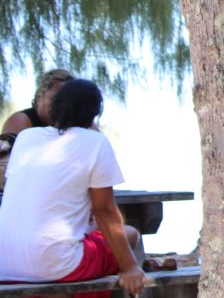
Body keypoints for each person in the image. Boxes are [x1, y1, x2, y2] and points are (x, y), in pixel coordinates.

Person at [0, 78, 146, 297]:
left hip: (5, 265)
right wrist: (130, 267)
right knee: (130, 234)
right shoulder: (96, 142)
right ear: (94, 114)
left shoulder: (26, 138)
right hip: (58, 266)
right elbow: (104, 211)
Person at [0, 68, 75, 191]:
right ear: (40, 97)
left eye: (68, 101)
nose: (62, 105)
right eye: (54, 99)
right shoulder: (21, 120)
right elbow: (5, 167)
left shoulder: (77, 122)